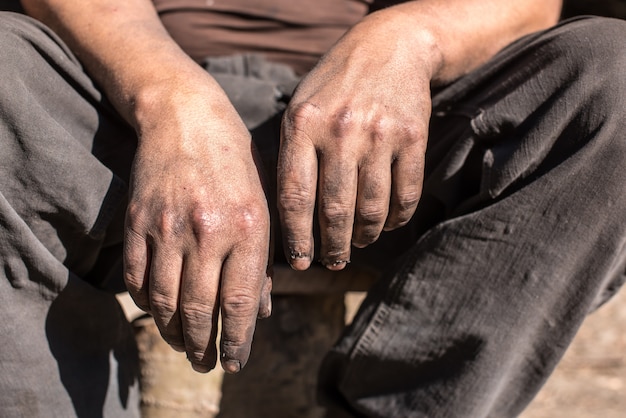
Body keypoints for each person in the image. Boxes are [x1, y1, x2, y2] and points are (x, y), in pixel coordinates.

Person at [0, 0, 624, 416]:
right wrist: (172, 100)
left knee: (612, 77)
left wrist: (407, 36)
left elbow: (531, 5)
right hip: (123, 108)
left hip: (393, 123)